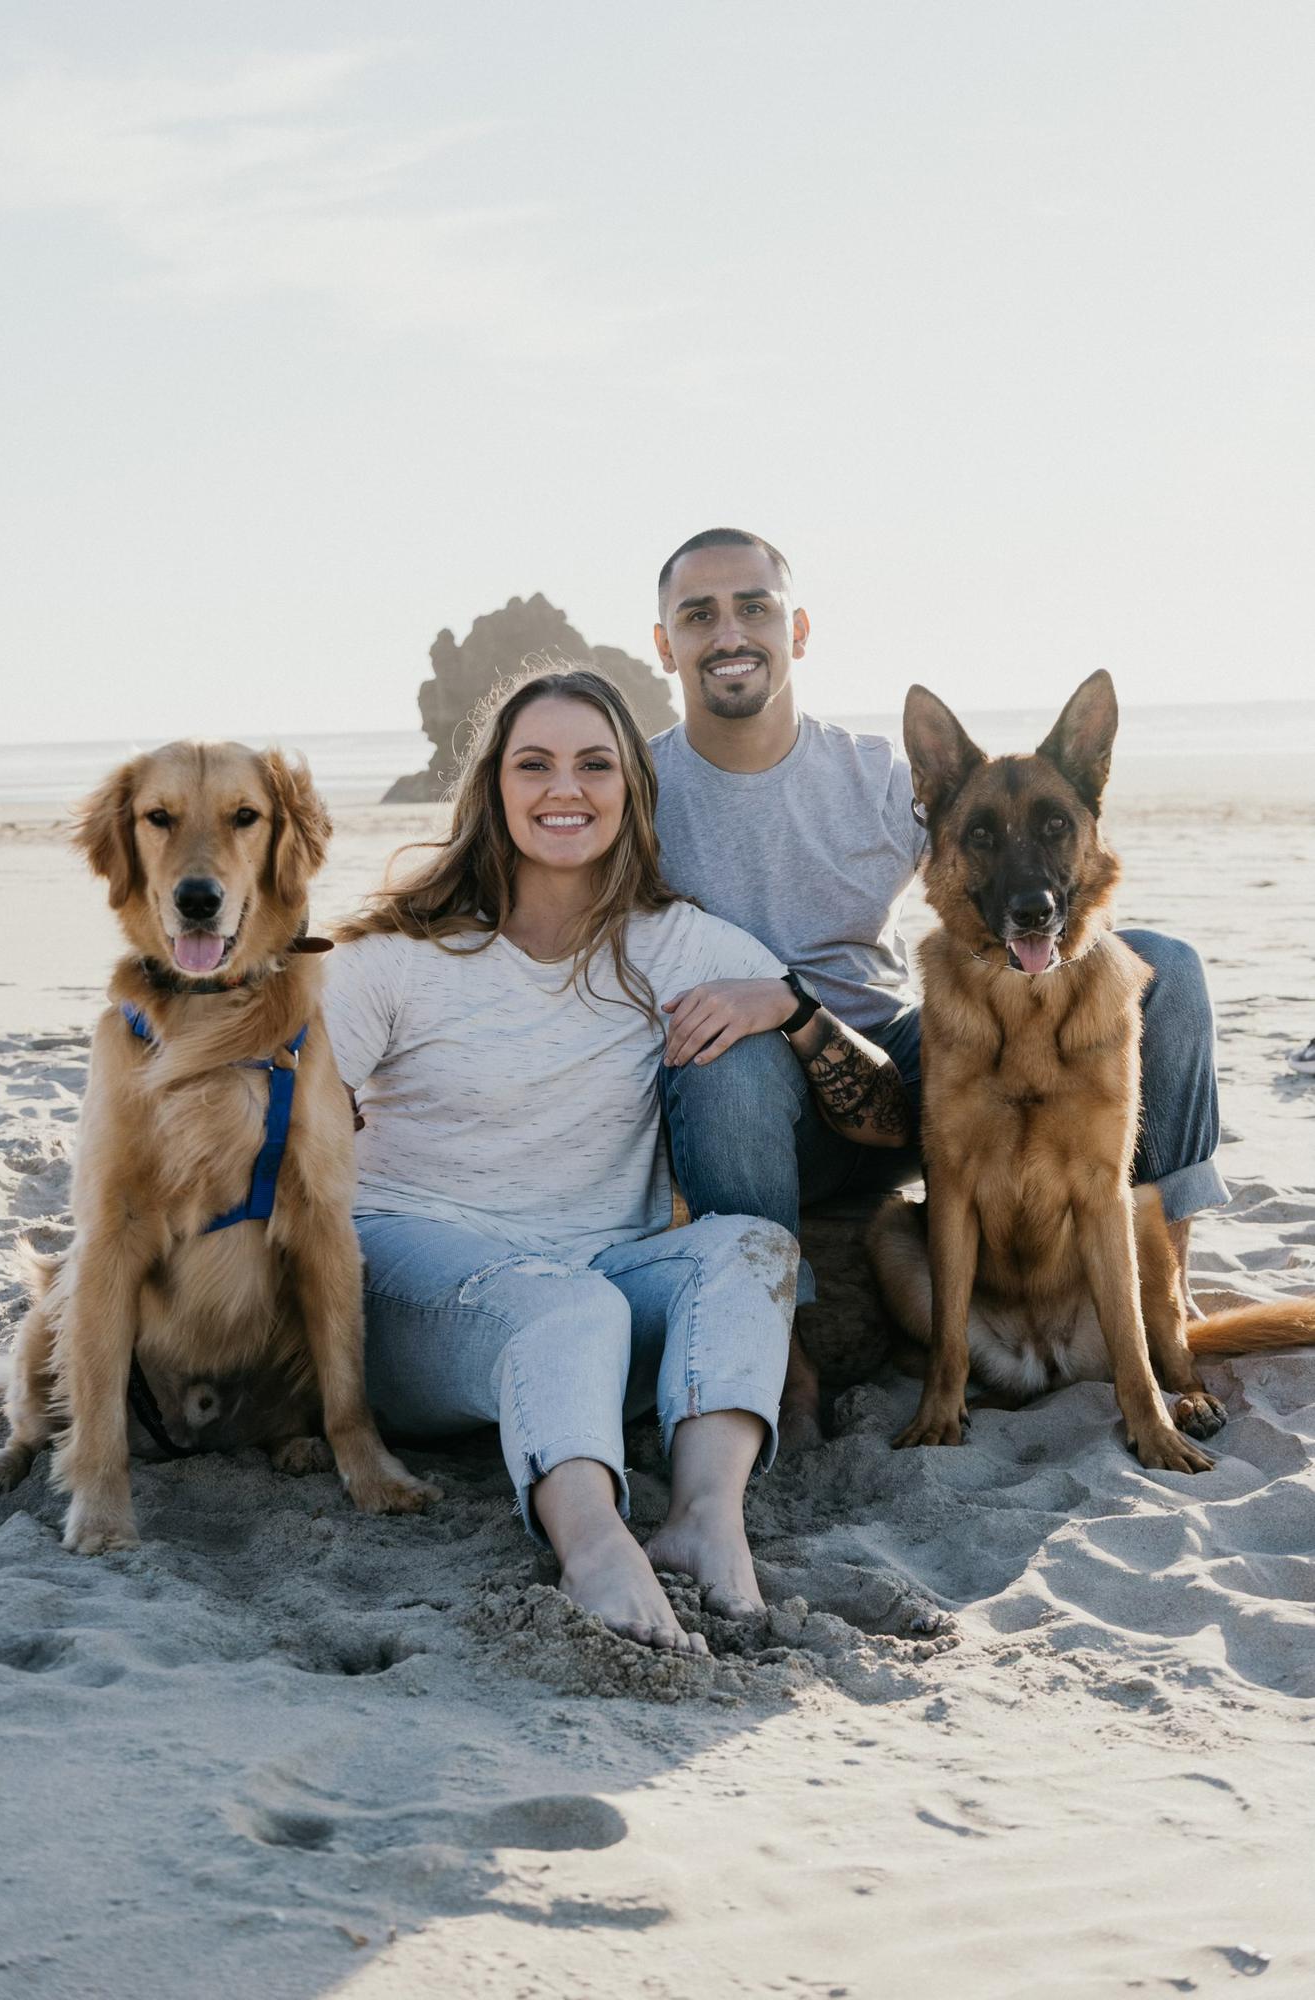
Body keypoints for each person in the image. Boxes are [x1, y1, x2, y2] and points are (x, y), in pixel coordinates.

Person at [321, 665, 906, 1657]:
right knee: (564, 1305)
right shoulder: (395, 957)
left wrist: (793, 1008)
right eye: (533, 763)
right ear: (493, 788)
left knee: (749, 1248)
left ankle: (702, 1516)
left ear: (632, 788)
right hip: (415, 1299)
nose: (565, 787)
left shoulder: (676, 945)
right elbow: (275, 1133)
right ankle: (591, 1544)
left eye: (595, 764)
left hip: (601, 1291)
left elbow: (888, 1114)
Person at [649, 527, 1230, 1425]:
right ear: (667, 644)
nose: (729, 633)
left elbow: (1009, 845)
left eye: (753, 607)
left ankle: (1166, 1290)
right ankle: (782, 1357)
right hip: (759, 1098)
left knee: (1169, 971)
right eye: (699, 614)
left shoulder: (880, 779)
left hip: (897, 1060)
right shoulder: (637, 792)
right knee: (725, 1064)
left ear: (795, 630)